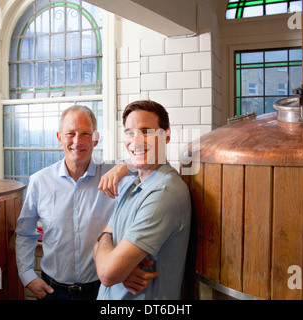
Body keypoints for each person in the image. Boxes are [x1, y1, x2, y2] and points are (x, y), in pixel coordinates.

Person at [15, 105, 156, 300]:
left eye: (85, 134)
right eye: (70, 134)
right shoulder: (39, 181)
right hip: (53, 292)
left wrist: (124, 165)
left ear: (96, 138)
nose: (77, 141)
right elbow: (25, 232)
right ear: (59, 137)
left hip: (102, 290)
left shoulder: (114, 173)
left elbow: (158, 161)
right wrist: (27, 275)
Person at [93, 100, 192, 300]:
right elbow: (104, 241)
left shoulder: (163, 193)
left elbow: (107, 273)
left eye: (146, 131)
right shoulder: (133, 184)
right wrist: (107, 244)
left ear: (167, 136)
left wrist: (107, 248)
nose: (135, 141)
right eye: (130, 132)